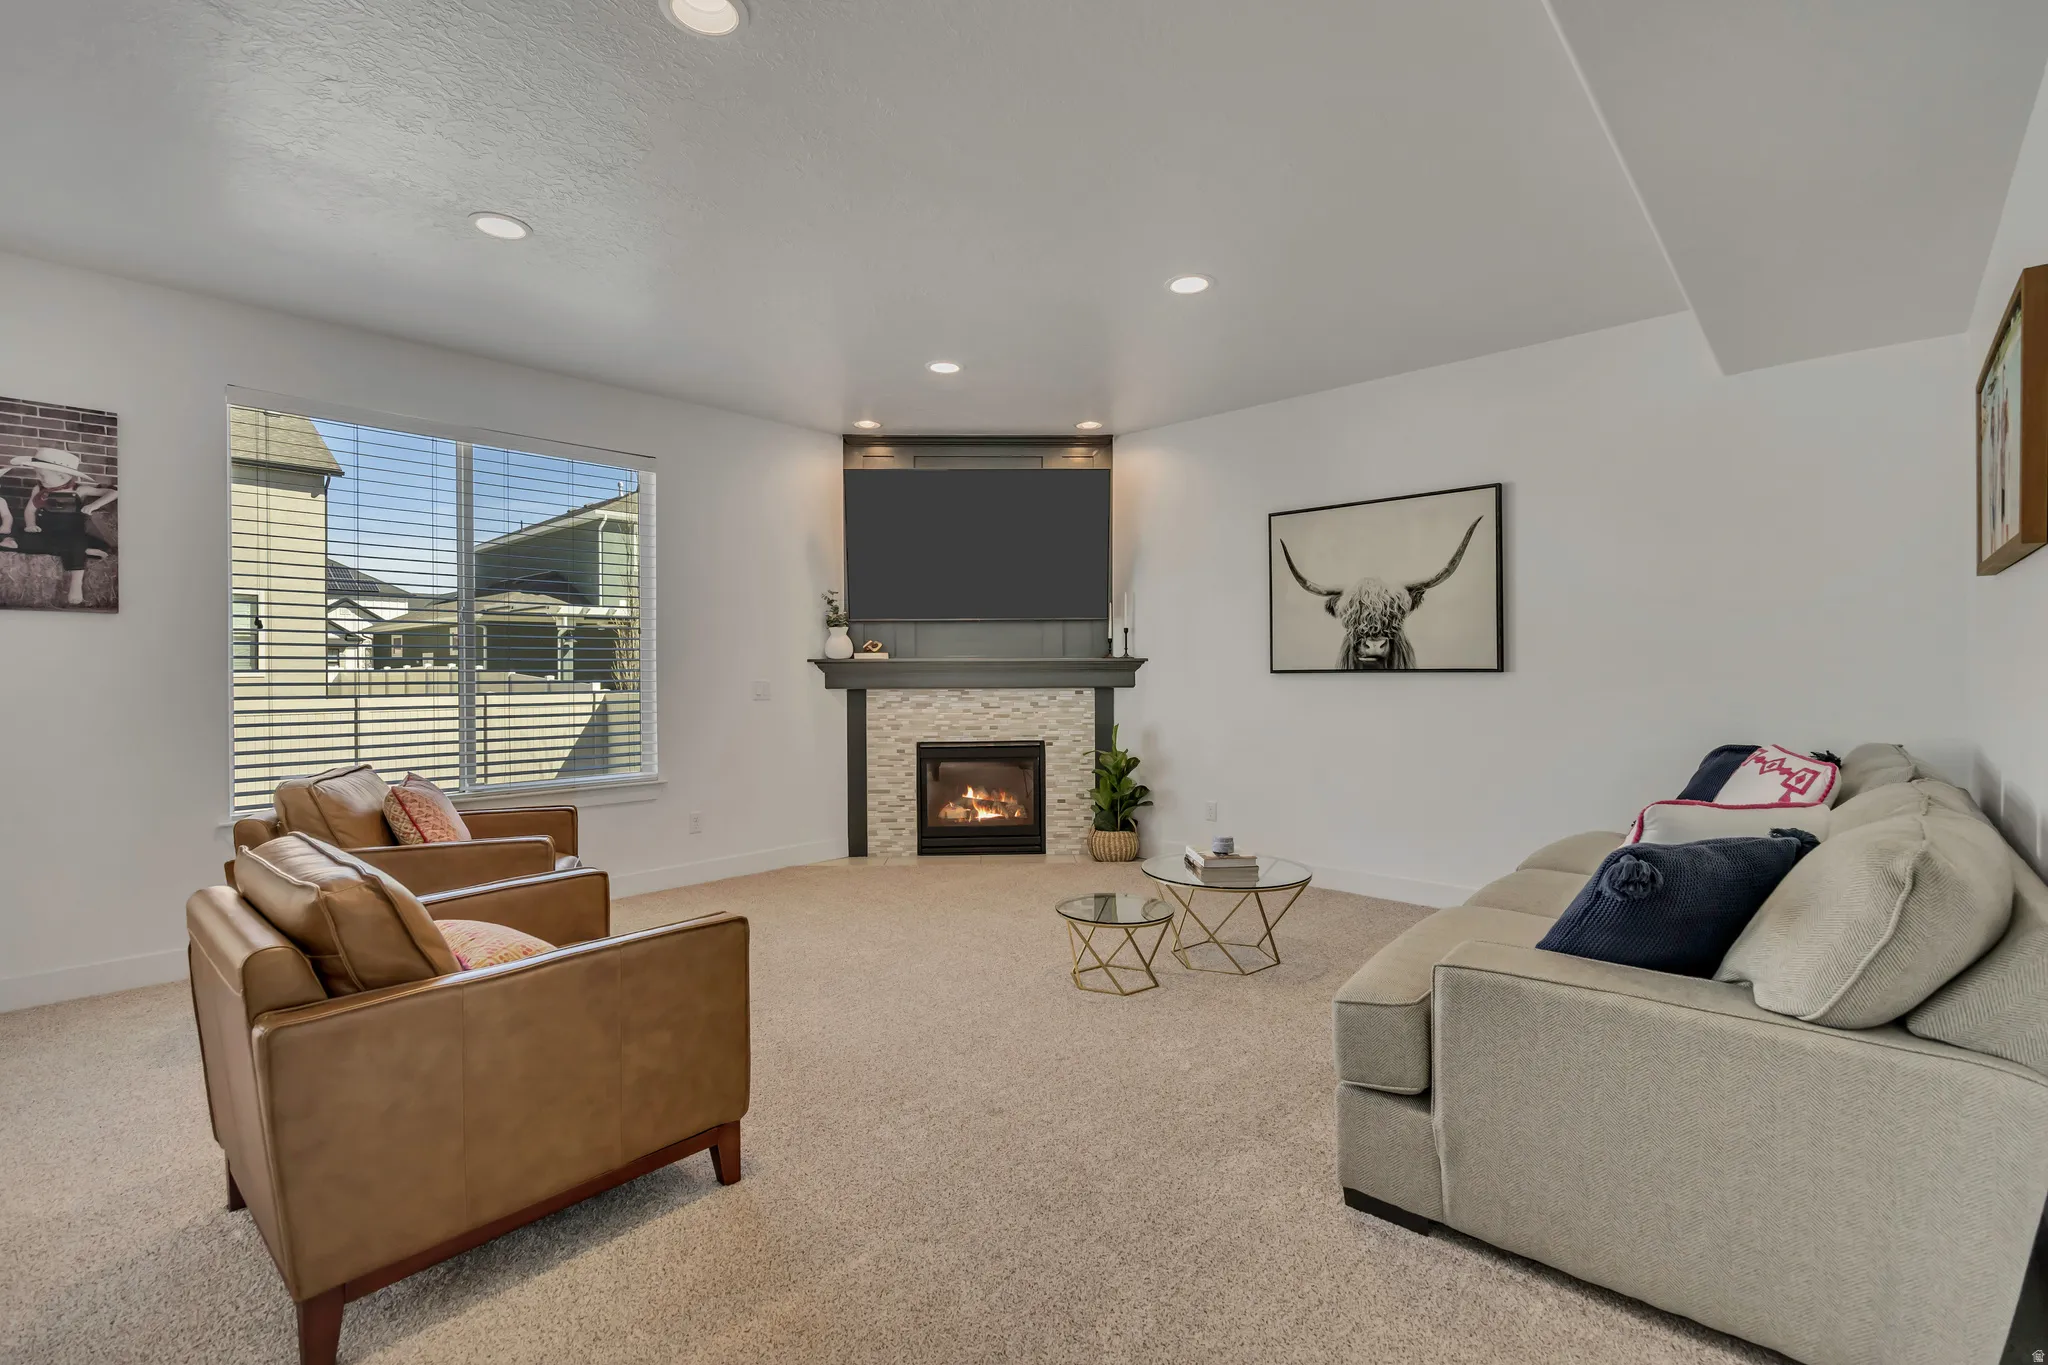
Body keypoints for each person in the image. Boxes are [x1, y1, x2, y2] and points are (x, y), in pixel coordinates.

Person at [2, 448, 117, 606]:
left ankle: (76, 584)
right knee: (26, 540)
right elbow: (30, 511)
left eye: (42, 475)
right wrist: (31, 525)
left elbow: (113, 492)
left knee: (76, 542)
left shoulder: (80, 490)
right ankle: (83, 550)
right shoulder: (38, 490)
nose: (37, 478)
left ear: (62, 476)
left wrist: (94, 505)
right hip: (46, 533)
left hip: (72, 534)